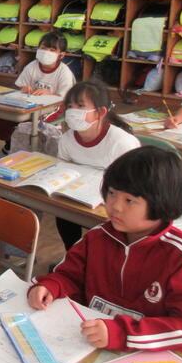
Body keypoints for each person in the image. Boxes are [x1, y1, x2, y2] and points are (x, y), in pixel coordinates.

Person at [29, 147, 182, 358]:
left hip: (154, 360)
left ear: (163, 202)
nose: (115, 206)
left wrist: (122, 334)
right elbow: (69, 276)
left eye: (129, 200)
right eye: (112, 193)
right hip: (92, 346)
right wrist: (51, 286)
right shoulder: (97, 237)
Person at [55, 81, 140, 249]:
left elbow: (134, 186)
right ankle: (72, 253)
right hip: (79, 196)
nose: (72, 112)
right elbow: (63, 169)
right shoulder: (66, 139)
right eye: (69, 106)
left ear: (100, 112)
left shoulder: (122, 143)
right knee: (63, 211)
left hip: (114, 202)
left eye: (80, 106)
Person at [0, 31, 75, 151]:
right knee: (6, 113)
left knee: (36, 121)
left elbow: (66, 97)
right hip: (31, 104)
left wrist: (50, 94)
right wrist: (25, 88)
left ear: (61, 55)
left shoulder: (64, 72)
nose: (46, 52)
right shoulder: (32, 66)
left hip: (55, 106)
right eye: (43, 48)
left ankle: (34, 148)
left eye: (52, 50)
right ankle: (9, 144)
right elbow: (21, 86)